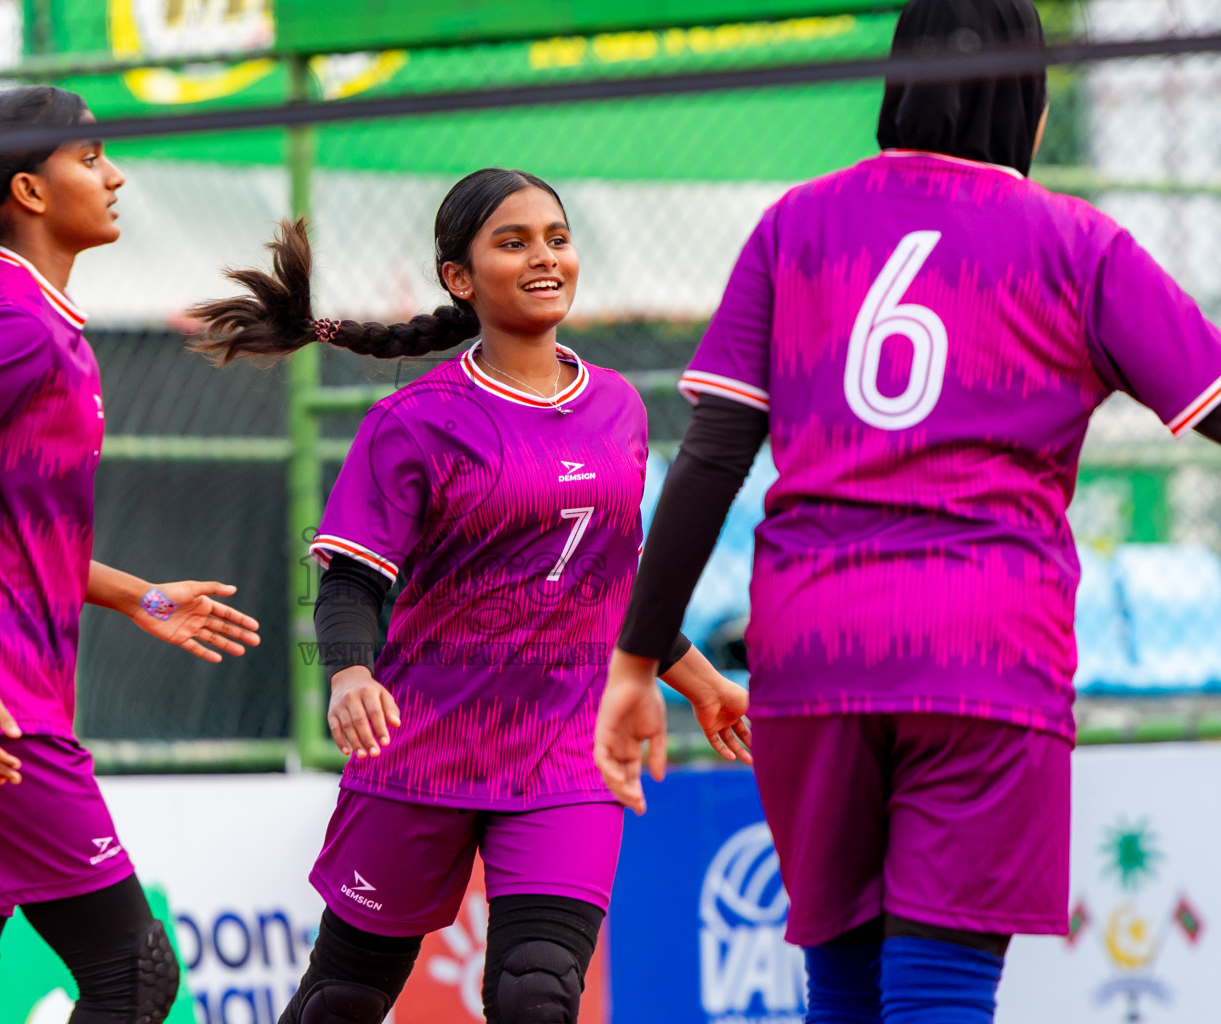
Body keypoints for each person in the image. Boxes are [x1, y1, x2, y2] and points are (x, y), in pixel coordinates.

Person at [594, 1, 1221, 1021]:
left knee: (840, 979)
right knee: (943, 988)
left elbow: (709, 456)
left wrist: (635, 661)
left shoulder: (797, 223)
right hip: (983, 644)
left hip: (812, 644)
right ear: (1034, 94)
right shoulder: (1078, 243)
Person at [191, 168, 750, 1024]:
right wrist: (348, 677)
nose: (544, 257)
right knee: (342, 1001)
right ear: (460, 277)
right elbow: (348, 582)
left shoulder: (619, 410)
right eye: (514, 241)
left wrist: (703, 683)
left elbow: (615, 579)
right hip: (423, 749)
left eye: (557, 238)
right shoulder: (413, 421)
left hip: (567, 752)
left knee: (537, 996)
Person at [0, 86, 260, 1024]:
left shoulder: (42, 320)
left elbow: (7, 538)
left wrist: (142, 597)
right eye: (91, 157)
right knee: (135, 973)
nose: (115, 175)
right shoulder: (16, 322)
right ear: (30, 188)